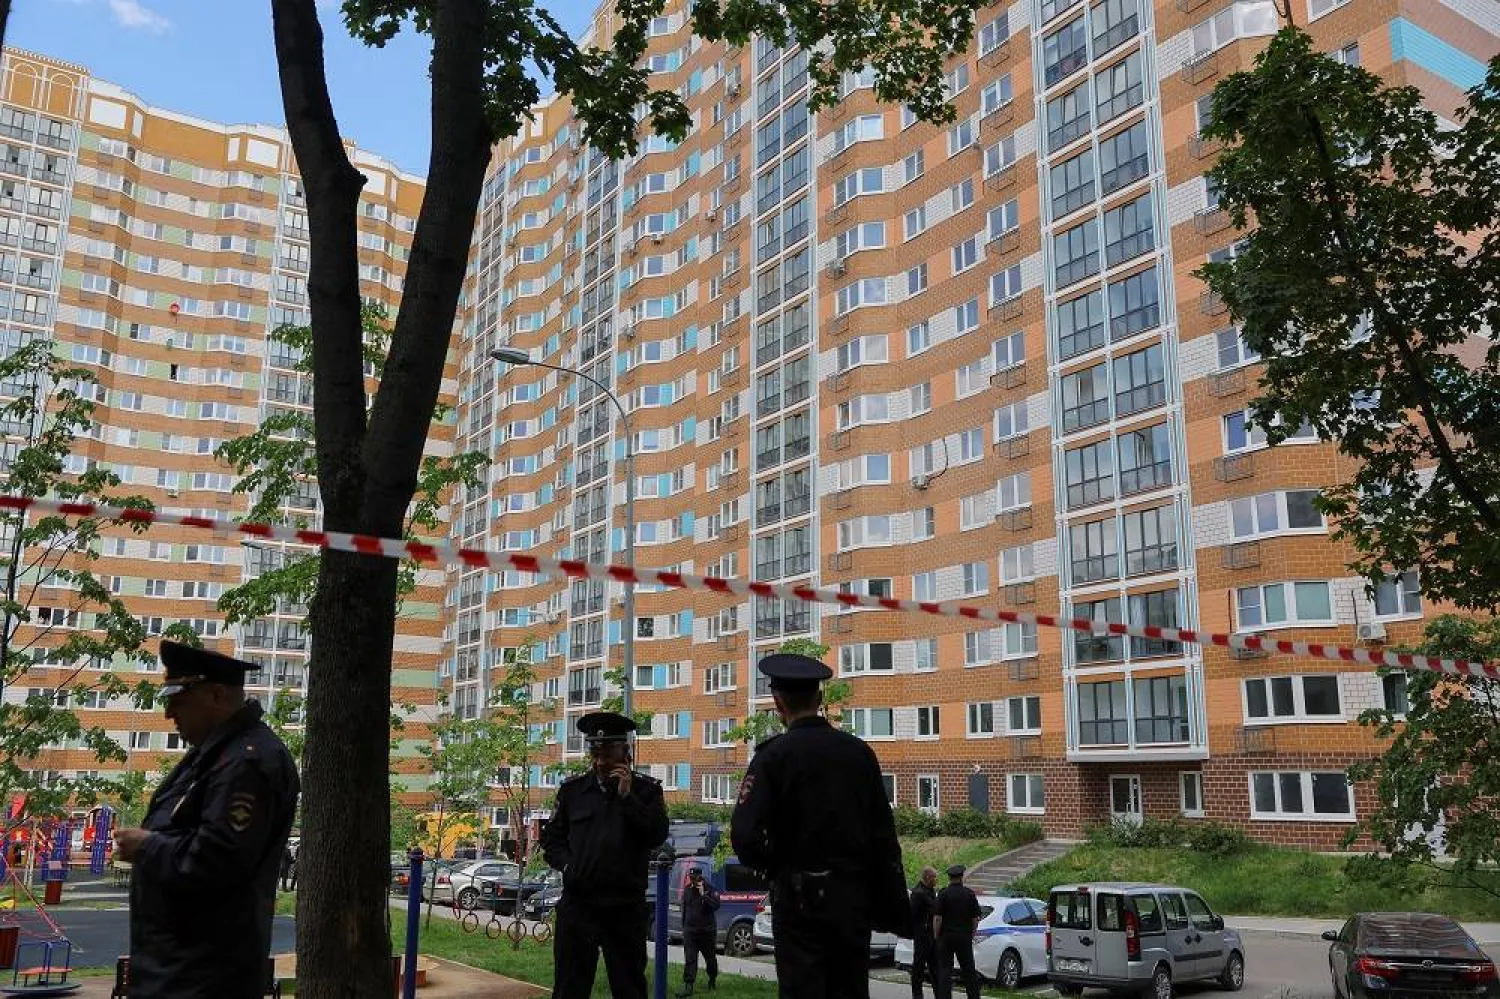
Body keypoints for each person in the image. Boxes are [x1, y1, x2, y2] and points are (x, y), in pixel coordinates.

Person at [113, 640, 300, 999]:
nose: (169, 713)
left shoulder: (247, 762)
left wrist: (147, 846)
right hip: (178, 971)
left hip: (204, 977)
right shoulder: (215, 754)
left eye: (178, 698)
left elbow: (218, 858)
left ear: (215, 695)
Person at [730, 653, 911, 998]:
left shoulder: (772, 757)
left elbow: (744, 835)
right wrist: (888, 905)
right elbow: (884, 837)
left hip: (798, 904)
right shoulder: (859, 754)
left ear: (778, 703)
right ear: (821, 699)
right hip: (851, 902)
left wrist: (778, 865)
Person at [541, 710, 669, 999]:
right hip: (579, 905)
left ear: (626, 752)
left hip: (624, 907)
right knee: (569, 987)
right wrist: (568, 866)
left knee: (629, 987)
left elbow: (657, 834)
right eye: (595, 755)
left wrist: (628, 798)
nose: (600, 763)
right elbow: (552, 839)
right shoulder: (573, 791)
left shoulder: (646, 791)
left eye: (608, 755)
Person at [933, 865, 982, 999]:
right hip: (963, 937)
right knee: (968, 971)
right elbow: (975, 918)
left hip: (946, 937)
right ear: (961, 877)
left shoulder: (943, 893)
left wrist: (937, 935)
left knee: (945, 971)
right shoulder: (969, 894)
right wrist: (972, 933)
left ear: (949, 878)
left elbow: (938, 918)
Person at [677, 866, 721, 995]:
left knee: (710, 959)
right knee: (690, 959)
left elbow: (715, 906)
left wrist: (703, 895)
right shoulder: (687, 890)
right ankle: (688, 985)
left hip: (707, 931)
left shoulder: (710, 889)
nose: (693, 881)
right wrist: (684, 927)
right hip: (690, 931)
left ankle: (712, 978)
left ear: (700, 877)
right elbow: (685, 909)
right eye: (691, 878)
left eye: (695, 878)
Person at [909, 866, 941, 998]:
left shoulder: (930, 891)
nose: (936, 880)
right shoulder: (918, 893)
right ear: (928, 877)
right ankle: (917, 995)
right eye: (934, 877)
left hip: (931, 937)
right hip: (922, 936)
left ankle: (939, 995)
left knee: (935, 968)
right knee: (918, 968)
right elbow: (912, 914)